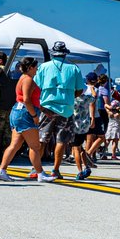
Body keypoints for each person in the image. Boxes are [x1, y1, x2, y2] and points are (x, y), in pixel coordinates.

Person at [0, 57, 51, 182]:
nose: (37, 70)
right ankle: (40, 174)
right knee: (35, 146)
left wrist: (42, 110)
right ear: (30, 67)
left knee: (15, 145)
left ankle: (2, 171)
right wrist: (35, 116)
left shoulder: (23, 78)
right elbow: (27, 99)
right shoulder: (28, 80)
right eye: (36, 67)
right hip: (26, 114)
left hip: (18, 112)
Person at [35, 42, 85, 180]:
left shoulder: (44, 67)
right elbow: (80, 89)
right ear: (65, 53)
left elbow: (36, 86)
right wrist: (69, 97)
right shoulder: (74, 68)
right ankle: (55, 170)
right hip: (66, 109)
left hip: (47, 108)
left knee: (42, 139)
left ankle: (36, 168)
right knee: (61, 140)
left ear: (53, 53)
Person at [104, 91, 120, 160]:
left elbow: (106, 106)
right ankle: (113, 154)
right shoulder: (117, 114)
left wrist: (110, 108)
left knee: (108, 140)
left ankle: (103, 152)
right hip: (116, 126)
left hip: (110, 125)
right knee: (115, 141)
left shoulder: (109, 112)